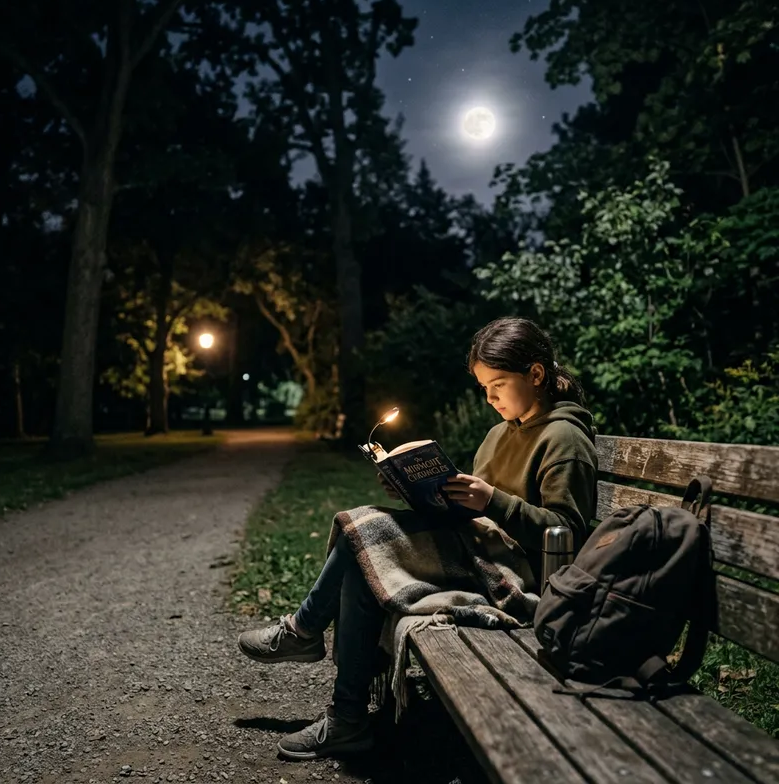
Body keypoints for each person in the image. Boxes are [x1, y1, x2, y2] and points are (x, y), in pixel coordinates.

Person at [237, 317, 598, 760]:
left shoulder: (564, 438)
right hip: (473, 551)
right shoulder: (496, 435)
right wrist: (417, 492)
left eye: (498, 384)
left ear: (537, 375)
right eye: (484, 387)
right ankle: (343, 712)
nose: (490, 398)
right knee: (364, 553)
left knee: (362, 530)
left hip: (513, 577)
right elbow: (469, 513)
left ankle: (307, 638)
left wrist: (493, 501)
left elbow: (568, 530)